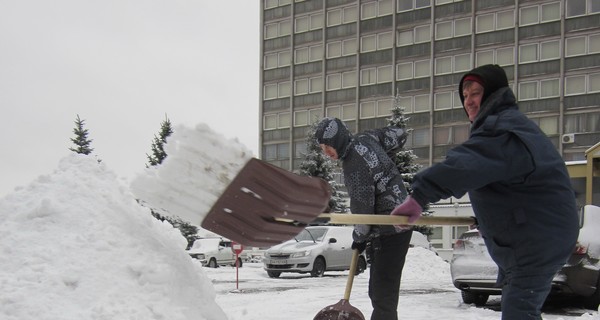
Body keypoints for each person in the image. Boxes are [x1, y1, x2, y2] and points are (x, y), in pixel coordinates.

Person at [391, 64, 579, 319]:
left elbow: (463, 166)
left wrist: (419, 196)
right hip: (540, 235)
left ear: (493, 94)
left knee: (519, 311)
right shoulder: (508, 126)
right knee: (521, 307)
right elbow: (515, 187)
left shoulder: (502, 131)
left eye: (475, 93)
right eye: (465, 96)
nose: (468, 101)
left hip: (536, 241)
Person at [315, 117, 412, 320]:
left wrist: (359, 237)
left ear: (339, 139)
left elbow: (362, 208)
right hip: (400, 221)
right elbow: (399, 135)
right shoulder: (366, 138)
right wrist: (384, 166)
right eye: (322, 147)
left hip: (389, 229)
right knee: (383, 291)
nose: (326, 152)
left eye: (328, 145)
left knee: (382, 294)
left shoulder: (353, 163)